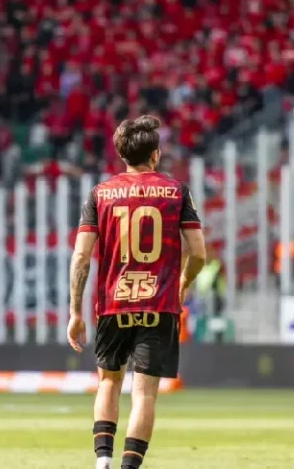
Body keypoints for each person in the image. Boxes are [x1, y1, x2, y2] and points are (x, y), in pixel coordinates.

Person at [67, 115, 207, 469]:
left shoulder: (100, 194)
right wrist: (183, 284)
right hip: (159, 304)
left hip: (114, 303)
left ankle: (103, 460)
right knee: (144, 393)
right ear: (155, 154)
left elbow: (81, 256)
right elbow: (199, 253)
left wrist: (75, 312)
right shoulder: (176, 191)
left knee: (109, 383)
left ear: (121, 155)